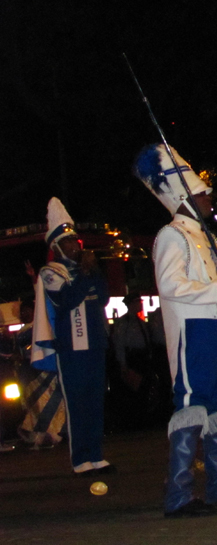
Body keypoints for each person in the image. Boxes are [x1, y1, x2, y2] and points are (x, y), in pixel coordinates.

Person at [135, 142, 217, 518]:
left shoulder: (207, 237)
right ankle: (179, 496)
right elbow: (170, 286)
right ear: (185, 198)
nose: (209, 201)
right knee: (192, 406)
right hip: (193, 331)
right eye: (203, 195)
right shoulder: (172, 235)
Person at [30, 198, 114, 475]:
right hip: (71, 349)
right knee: (77, 403)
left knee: (95, 401)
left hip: (94, 345)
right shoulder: (51, 272)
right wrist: (85, 277)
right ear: (55, 246)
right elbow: (67, 300)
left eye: (75, 241)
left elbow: (101, 297)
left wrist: (90, 275)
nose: (74, 246)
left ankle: (96, 455)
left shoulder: (86, 269)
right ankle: (81, 459)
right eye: (67, 242)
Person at [16, 297, 66, 449]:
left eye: (28, 311)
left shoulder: (41, 328)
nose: (25, 313)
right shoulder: (21, 331)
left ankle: (50, 434)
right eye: (22, 311)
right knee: (31, 404)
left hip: (42, 369)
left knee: (46, 402)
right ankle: (36, 435)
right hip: (26, 371)